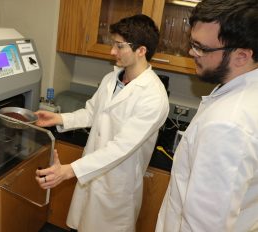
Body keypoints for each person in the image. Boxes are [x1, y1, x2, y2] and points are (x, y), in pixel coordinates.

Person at [35, 14, 169, 232]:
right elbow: (91, 112)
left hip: (116, 188)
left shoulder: (153, 97)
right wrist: (60, 118)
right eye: (112, 44)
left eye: (119, 46)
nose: (112, 51)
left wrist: (70, 170)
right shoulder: (112, 78)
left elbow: (121, 147)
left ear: (141, 50)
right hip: (92, 173)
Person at [156, 0, 258, 231]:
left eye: (202, 47)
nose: (192, 52)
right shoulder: (242, 92)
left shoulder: (228, 125)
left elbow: (204, 226)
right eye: (192, 43)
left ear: (241, 56)